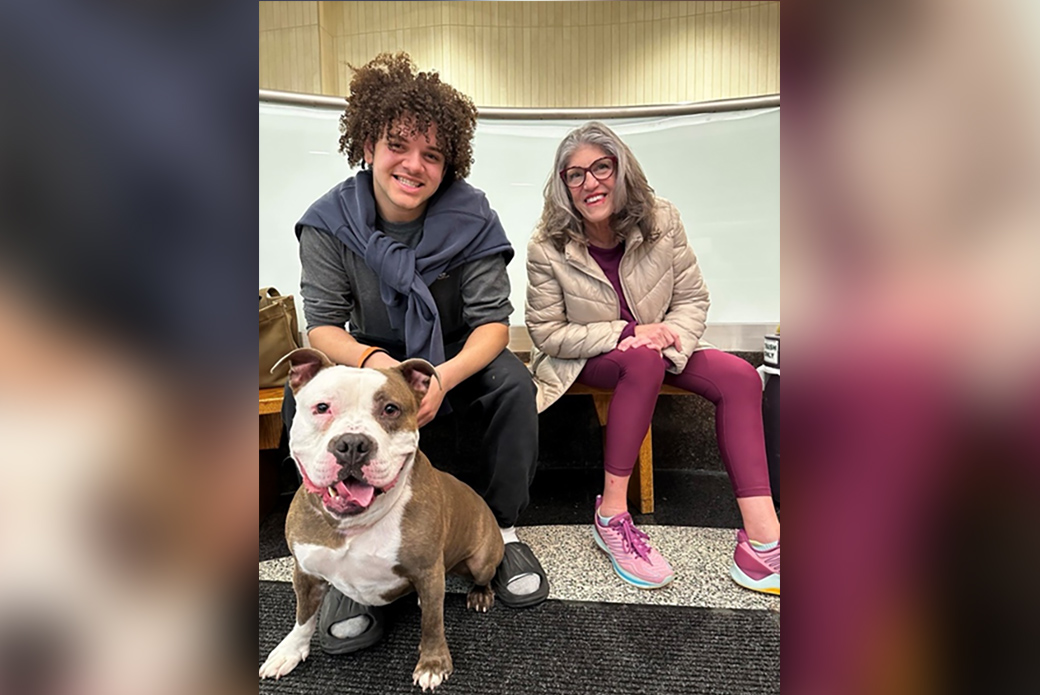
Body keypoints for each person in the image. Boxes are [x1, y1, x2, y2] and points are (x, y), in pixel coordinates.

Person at [282, 52, 549, 655]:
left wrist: (444, 379)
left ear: (448, 164)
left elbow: (493, 328)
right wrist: (378, 366)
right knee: (309, 408)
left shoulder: (474, 219)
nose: (414, 164)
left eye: (432, 154)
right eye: (398, 145)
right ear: (368, 145)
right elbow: (322, 324)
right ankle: (344, 562)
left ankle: (501, 534)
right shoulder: (328, 223)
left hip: (451, 356)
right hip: (368, 357)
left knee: (512, 385)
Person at [525, 121, 780, 594]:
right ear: (563, 185)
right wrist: (627, 333)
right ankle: (611, 516)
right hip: (586, 356)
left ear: (622, 169)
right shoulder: (548, 244)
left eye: (601, 167)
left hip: (661, 349)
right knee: (638, 361)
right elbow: (547, 332)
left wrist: (666, 339)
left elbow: (692, 300)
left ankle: (764, 544)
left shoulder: (662, 220)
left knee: (742, 376)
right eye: (574, 174)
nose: (590, 182)